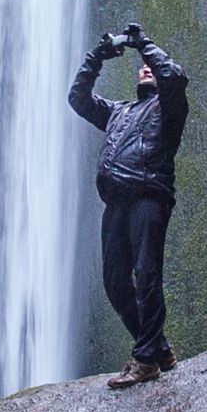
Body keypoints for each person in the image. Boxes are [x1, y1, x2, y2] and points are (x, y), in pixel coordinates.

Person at [70, 20, 189, 388]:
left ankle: (145, 359)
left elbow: (174, 76)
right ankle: (157, 348)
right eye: (142, 67)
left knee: (147, 273)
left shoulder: (169, 109)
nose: (145, 69)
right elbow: (79, 99)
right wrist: (97, 56)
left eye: (150, 66)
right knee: (114, 282)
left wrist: (143, 44)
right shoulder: (120, 112)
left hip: (148, 196)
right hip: (116, 202)